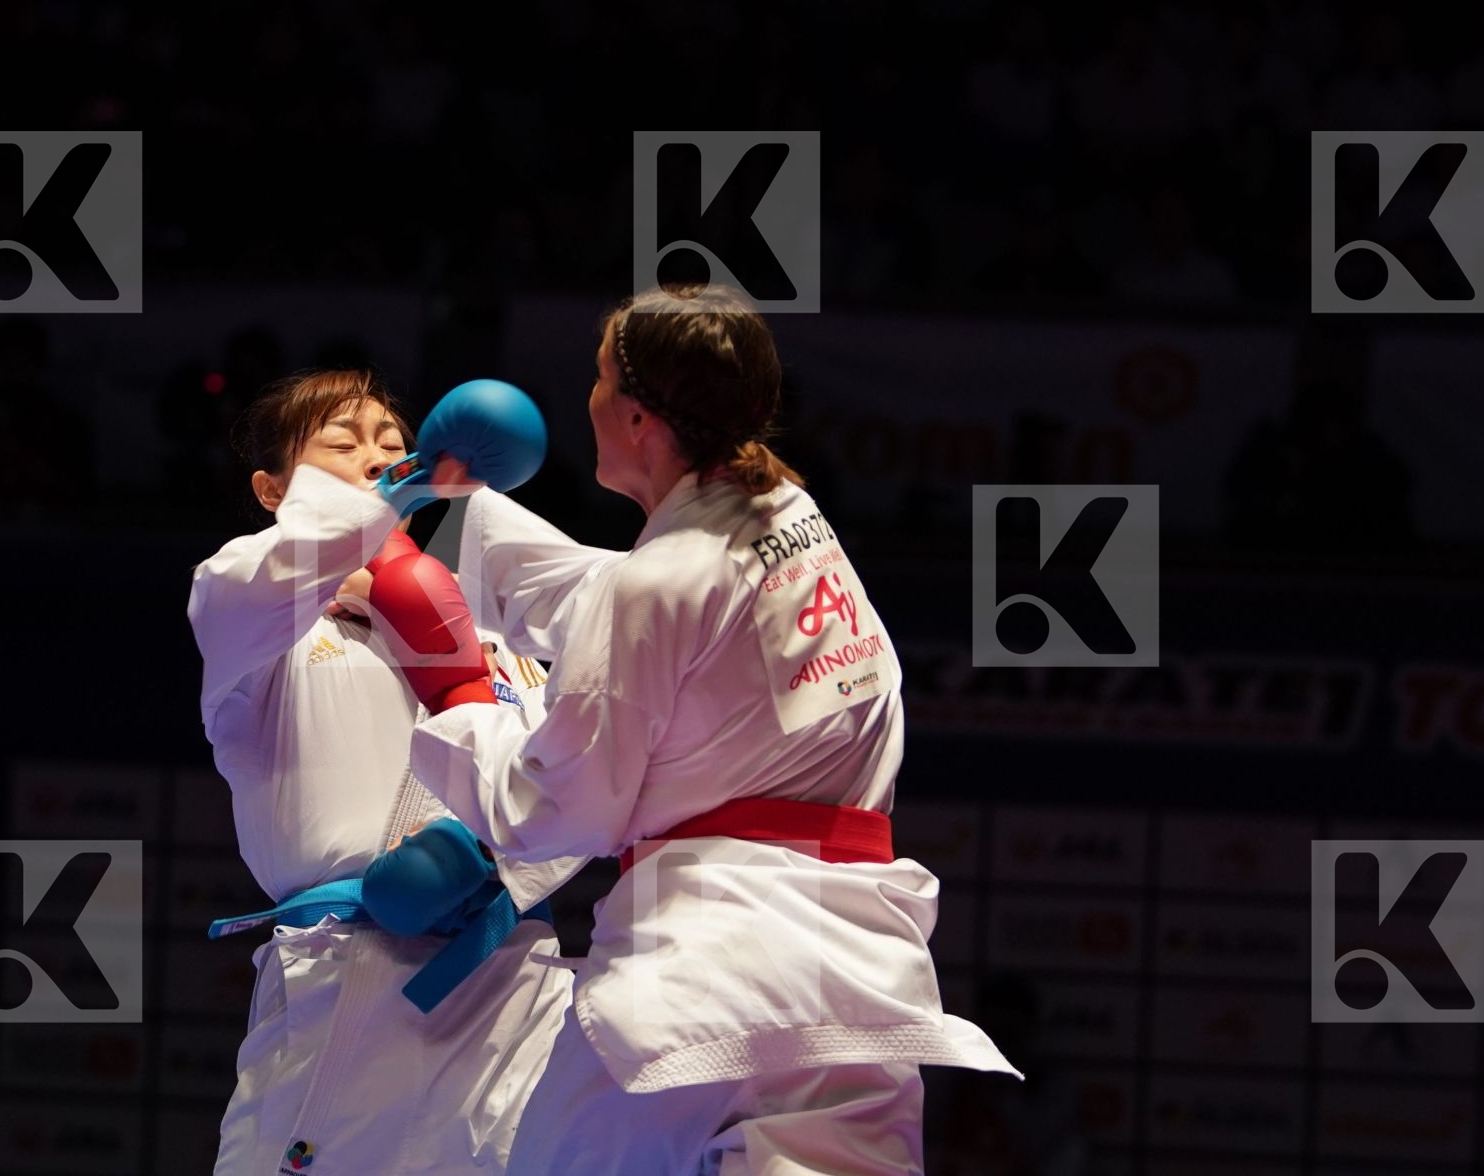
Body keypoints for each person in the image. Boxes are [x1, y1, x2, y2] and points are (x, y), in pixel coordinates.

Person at [371, 286, 1022, 1175]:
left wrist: (453, 692)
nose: (588, 400)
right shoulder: (789, 518)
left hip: (710, 976)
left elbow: (560, 815)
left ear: (637, 416)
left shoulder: (666, 580)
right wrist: (440, 517)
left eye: (600, 381)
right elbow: (638, 612)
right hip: (858, 986)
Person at [185, 367, 582, 1176]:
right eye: (343, 442)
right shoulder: (257, 623)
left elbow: (584, 777)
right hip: (346, 975)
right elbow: (269, 572)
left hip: (507, 984)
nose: (378, 456)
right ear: (272, 489)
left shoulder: (503, 641)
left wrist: (494, 864)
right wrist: (389, 516)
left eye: (397, 445)